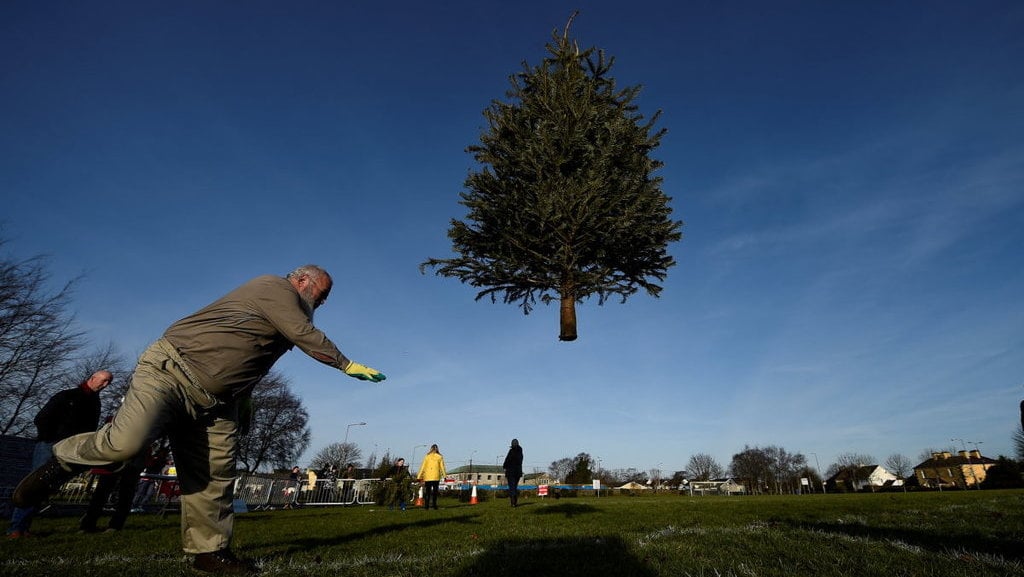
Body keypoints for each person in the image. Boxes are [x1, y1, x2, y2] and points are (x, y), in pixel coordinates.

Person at [12, 265, 385, 574]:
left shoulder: (290, 312)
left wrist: (246, 400)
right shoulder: (274, 289)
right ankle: (63, 458)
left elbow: (250, 355)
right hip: (172, 373)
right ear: (300, 280)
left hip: (218, 402)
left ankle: (208, 551)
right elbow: (303, 334)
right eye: (322, 290)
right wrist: (345, 363)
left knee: (214, 476)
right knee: (125, 444)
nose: (325, 298)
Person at [7, 370, 113, 539]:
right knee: (35, 484)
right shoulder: (67, 396)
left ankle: (23, 527)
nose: (105, 385)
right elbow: (42, 418)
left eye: (108, 382)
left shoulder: (95, 402)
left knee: (45, 487)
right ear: (92, 378)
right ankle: (16, 528)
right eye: (103, 380)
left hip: (71, 450)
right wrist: (52, 438)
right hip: (51, 445)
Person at [416, 444, 446, 510]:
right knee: (435, 492)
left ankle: (426, 506)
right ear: (437, 449)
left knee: (427, 492)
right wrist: (444, 476)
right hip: (436, 477)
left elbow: (422, 466)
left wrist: (419, 476)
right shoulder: (440, 457)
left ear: (431, 449)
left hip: (428, 477)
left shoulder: (427, 456)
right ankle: (434, 506)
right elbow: (442, 467)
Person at [502, 438, 524, 508]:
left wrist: (504, 466)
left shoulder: (511, 451)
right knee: (515, 486)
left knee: (512, 487)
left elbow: (507, 460)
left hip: (511, 472)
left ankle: (513, 503)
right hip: (518, 472)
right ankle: (515, 502)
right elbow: (520, 462)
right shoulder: (520, 452)